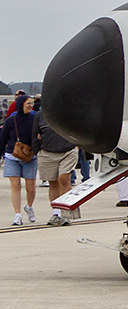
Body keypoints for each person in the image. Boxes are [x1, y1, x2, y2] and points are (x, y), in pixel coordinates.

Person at [32, 99, 80, 226]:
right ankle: (56, 213)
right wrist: (38, 151)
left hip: (68, 151)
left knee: (64, 179)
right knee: (53, 183)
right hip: (47, 152)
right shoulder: (39, 116)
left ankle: (67, 212)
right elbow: (34, 134)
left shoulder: (70, 114)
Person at [2, 95, 40, 225]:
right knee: (15, 186)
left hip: (30, 156)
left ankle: (29, 207)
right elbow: (3, 139)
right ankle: (17, 214)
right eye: (28, 103)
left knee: (31, 188)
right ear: (21, 105)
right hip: (12, 155)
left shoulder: (34, 119)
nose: (31, 105)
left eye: (31, 103)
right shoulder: (10, 120)